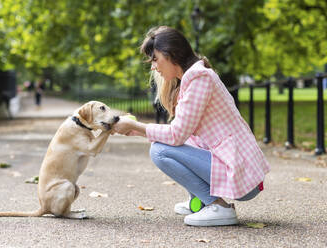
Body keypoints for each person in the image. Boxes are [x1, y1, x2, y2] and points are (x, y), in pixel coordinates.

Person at [112, 26, 270, 227]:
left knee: (160, 151)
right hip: (230, 163)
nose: (154, 67)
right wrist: (137, 130)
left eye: (155, 59)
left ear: (171, 54)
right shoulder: (192, 78)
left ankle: (218, 206)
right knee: (168, 143)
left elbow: (176, 135)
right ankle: (202, 201)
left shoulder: (199, 78)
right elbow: (182, 134)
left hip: (241, 172)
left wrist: (139, 126)